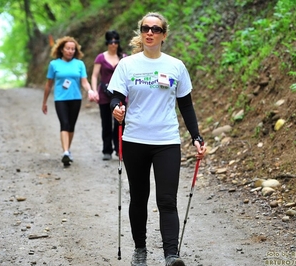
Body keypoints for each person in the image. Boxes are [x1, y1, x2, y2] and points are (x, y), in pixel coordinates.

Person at [109, 12, 207, 266]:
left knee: (166, 199)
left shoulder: (175, 66)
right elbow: (116, 97)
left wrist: (196, 136)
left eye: (155, 29)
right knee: (139, 197)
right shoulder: (127, 64)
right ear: (141, 33)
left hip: (166, 141)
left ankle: (171, 255)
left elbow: (185, 105)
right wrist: (117, 107)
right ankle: (140, 250)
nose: (149, 33)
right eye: (145, 28)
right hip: (135, 140)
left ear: (164, 35)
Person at [42, 36, 97, 167]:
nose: (70, 51)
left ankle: (67, 150)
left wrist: (89, 90)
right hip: (60, 99)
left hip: (76, 98)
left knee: (71, 126)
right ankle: (65, 152)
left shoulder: (79, 64)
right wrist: (44, 102)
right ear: (61, 49)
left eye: (73, 49)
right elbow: (49, 85)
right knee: (64, 124)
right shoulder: (54, 64)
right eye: (68, 48)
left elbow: (84, 81)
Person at [91, 30, 126, 160]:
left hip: (120, 94)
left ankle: (119, 149)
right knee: (106, 123)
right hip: (104, 94)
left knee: (120, 122)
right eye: (111, 41)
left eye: (115, 41)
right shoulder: (101, 57)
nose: (113, 44)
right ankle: (107, 149)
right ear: (107, 43)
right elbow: (94, 76)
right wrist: (94, 91)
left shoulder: (123, 57)